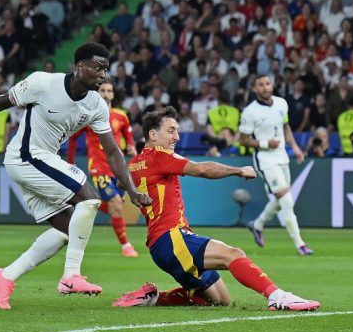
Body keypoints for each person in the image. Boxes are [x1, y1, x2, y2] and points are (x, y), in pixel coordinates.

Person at [0, 42, 151, 310]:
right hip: (25, 155)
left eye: (106, 69)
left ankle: (6, 276)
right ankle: (71, 276)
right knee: (89, 199)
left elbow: (113, 151)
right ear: (80, 66)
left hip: (40, 161)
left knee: (69, 230)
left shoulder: (96, 105)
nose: (103, 75)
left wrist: (131, 190)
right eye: (98, 68)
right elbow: (5, 100)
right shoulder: (43, 83)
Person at [112, 108, 320, 311]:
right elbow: (201, 169)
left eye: (177, 131)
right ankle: (277, 296)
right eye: (171, 131)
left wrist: (133, 193)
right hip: (172, 238)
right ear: (153, 134)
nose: (176, 137)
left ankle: (153, 297)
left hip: (160, 246)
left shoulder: (135, 164)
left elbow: (122, 183)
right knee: (232, 254)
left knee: (221, 299)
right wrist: (238, 170)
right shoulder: (160, 156)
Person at [239, 75, 314, 256]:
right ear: (255, 89)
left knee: (281, 200)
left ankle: (257, 224)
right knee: (286, 200)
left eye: (267, 84)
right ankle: (300, 244)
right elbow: (243, 140)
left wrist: (295, 148)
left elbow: (285, 127)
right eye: (260, 85)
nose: (265, 87)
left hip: (282, 156)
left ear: (272, 86)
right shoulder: (250, 112)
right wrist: (265, 144)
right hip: (265, 158)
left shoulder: (282, 103)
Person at [67, 79, 139, 258]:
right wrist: (71, 162)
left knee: (116, 206)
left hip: (118, 167)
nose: (106, 94)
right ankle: (126, 246)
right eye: (103, 91)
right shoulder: (89, 115)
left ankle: (87, 203)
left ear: (113, 95)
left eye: (109, 91)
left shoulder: (121, 116)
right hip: (98, 167)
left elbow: (128, 136)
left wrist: (131, 147)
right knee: (116, 203)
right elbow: (73, 137)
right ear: (97, 94)